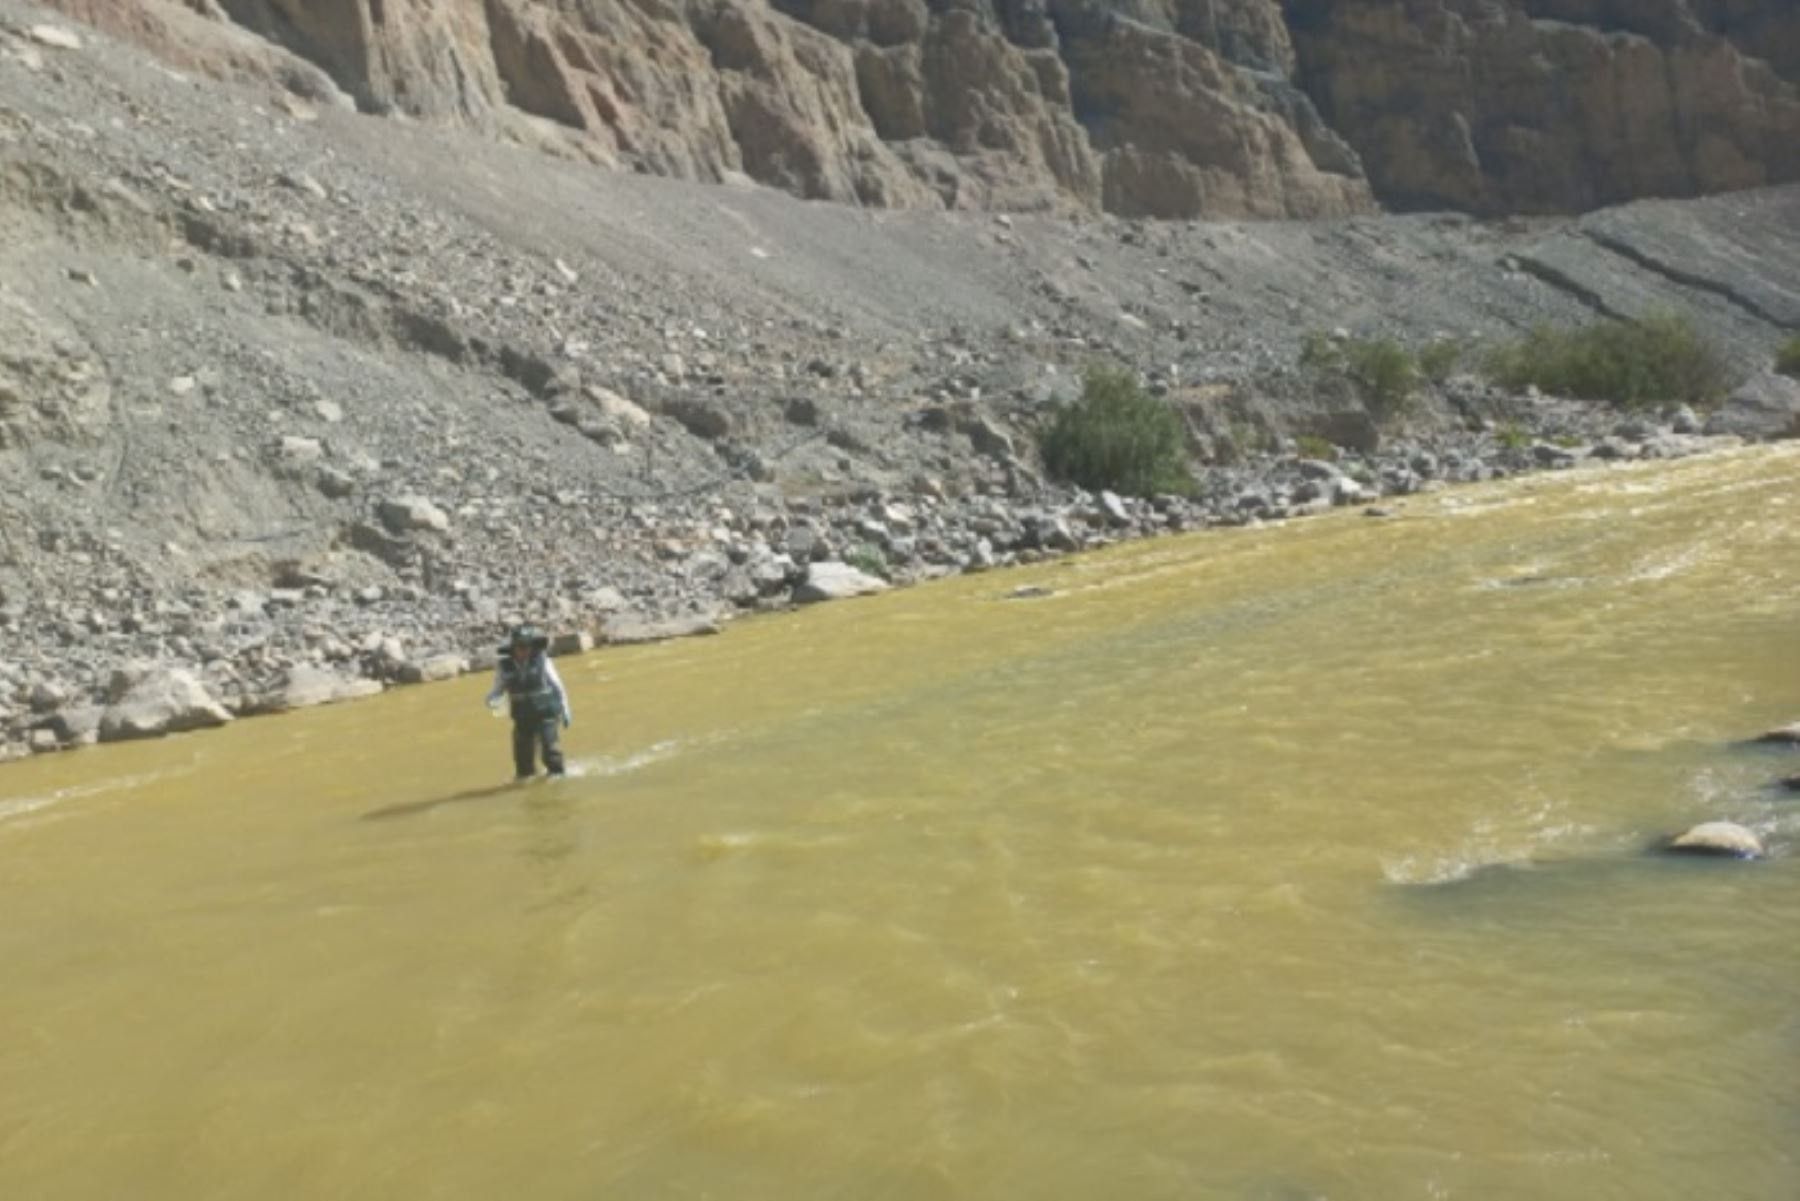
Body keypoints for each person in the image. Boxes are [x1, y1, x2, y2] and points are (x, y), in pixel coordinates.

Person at [485, 624, 572, 779]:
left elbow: (557, 686)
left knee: (550, 751)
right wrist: (491, 698)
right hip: (522, 716)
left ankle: (558, 777)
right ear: (513, 647)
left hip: (546, 713)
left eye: (527, 646)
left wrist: (565, 709)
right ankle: (527, 782)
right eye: (520, 646)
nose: (524, 651)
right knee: (522, 761)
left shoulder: (543, 661)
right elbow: (498, 687)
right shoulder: (505, 666)